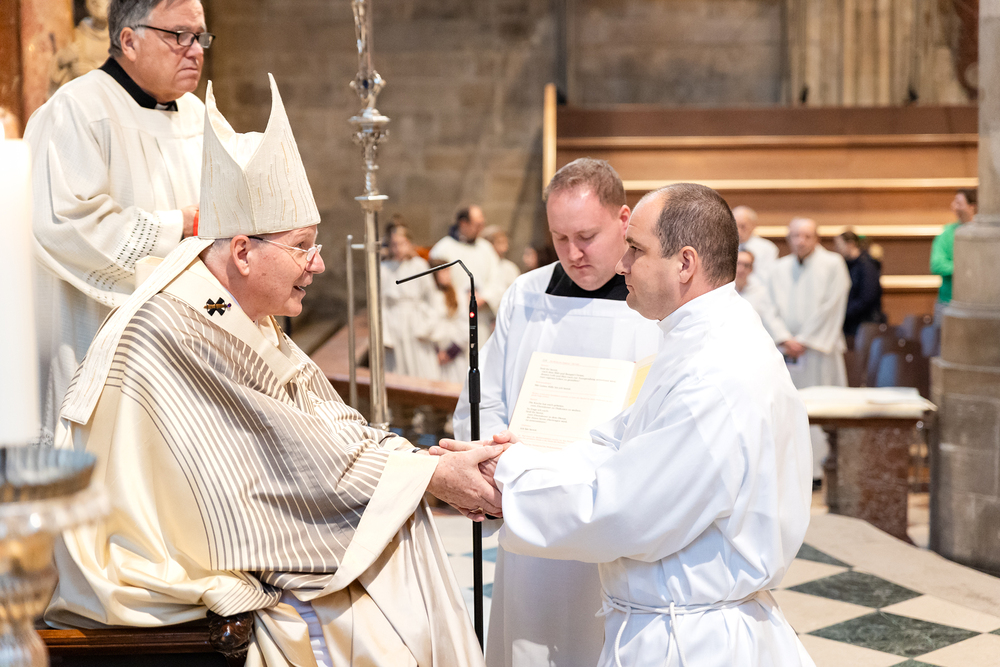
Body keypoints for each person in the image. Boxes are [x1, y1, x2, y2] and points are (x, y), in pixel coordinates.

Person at [45, 74, 495, 667]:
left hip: (219, 531)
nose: (319, 263)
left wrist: (416, 464)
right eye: (303, 245)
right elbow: (263, 469)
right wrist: (425, 475)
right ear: (241, 251)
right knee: (372, 622)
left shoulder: (237, 309)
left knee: (396, 549)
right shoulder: (173, 328)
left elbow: (314, 421)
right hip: (155, 560)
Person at [443, 183, 815, 667]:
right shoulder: (701, 338)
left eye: (635, 249)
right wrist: (513, 459)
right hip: (674, 623)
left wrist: (501, 480)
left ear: (684, 263)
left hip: (690, 642)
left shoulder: (714, 372)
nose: (623, 264)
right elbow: (614, 442)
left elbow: (620, 509)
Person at [454, 158, 662, 667]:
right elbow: (486, 399)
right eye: (559, 237)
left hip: (611, 516)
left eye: (586, 236)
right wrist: (489, 467)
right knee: (531, 639)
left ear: (623, 220)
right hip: (529, 506)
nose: (573, 253)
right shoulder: (527, 294)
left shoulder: (655, 302)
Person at [26, 0, 209, 443]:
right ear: (129, 40)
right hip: (97, 337)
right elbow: (65, 224)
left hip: (180, 337)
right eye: (179, 36)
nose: (196, 50)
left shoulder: (198, 114)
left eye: (200, 36)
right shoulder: (77, 108)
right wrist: (178, 227)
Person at [764, 217, 851, 483]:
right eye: (795, 236)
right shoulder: (778, 268)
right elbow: (767, 307)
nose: (800, 241)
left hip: (818, 350)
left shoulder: (833, 264)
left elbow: (833, 305)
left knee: (821, 409)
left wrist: (805, 340)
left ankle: (819, 470)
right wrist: (783, 337)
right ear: (788, 238)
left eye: (806, 236)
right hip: (787, 351)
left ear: (817, 238)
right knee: (788, 411)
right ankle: (790, 470)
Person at [381, 221, 440, 379]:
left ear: (409, 243)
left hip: (416, 321)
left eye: (402, 243)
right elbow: (380, 304)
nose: (398, 248)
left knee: (422, 366)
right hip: (394, 322)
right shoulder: (384, 268)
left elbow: (431, 297)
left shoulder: (419, 265)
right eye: (394, 244)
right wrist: (384, 334)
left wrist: (428, 325)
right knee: (398, 367)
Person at [429, 205, 505, 320]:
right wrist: (460, 297)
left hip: (481, 314)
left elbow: (497, 278)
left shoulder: (486, 248)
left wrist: (484, 297)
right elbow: (435, 284)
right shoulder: (442, 249)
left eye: (482, 224)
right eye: (477, 225)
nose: (481, 229)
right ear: (463, 224)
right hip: (453, 314)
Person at [930, 188, 976, 320]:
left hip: (977, 302)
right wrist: (965, 270)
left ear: (972, 207)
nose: (953, 207)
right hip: (948, 301)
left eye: (959, 203)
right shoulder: (947, 233)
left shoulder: (984, 234)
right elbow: (937, 264)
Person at [834, 230, 884, 346]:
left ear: (850, 244)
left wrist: (845, 311)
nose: (837, 249)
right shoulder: (845, 265)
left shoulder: (867, 266)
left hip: (864, 324)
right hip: (850, 324)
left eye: (839, 245)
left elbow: (868, 297)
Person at [427, 258, 471, 385]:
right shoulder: (429, 296)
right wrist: (436, 351)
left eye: (448, 271)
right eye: (443, 271)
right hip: (433, 355)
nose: (447, 275)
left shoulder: (458, 295)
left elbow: (464, 324)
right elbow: (427, 324)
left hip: (454, 356)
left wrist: (451, 352)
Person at [735, 249, 781, 339]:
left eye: (746, 265)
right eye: (738, 264)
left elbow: (769, 319)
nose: (741, 269)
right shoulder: (722, 290)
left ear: (751, 269)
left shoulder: (761, 293)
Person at [734, 205, 778, 279]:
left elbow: (768, 277)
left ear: (753, 226)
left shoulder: (767, 249)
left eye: (742, 226)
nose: (738, 230)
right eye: (734, 225)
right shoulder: (722, 247)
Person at [483, 224, 521, 297]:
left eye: (505, 242)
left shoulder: (510, 268)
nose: (505, 248)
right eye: (499, 242)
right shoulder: (482, 265)